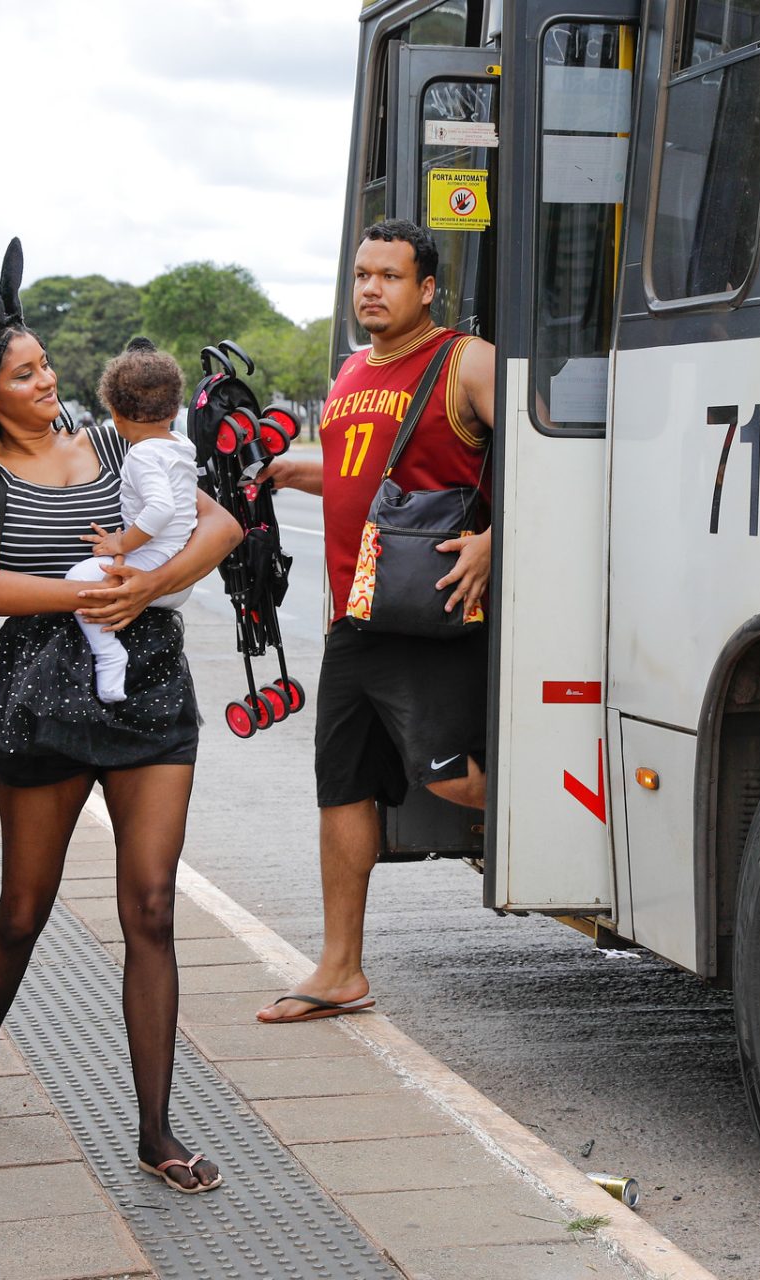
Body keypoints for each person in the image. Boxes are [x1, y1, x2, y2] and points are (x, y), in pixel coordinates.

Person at [0, 239, 241, 1192]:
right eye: (25, 373)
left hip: (149, 682)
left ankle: (156, 1133)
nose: (47, 380)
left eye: (46, 367)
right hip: (41, 693)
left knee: (149, 907)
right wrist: (82, 599)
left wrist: (146, 582)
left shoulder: (116, 440)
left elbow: (222, 525)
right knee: (23, 910)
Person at [254, 218, 495, 1024]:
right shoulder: (354, 369)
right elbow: (372, 475)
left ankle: (562, 830)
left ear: (427, 289)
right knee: (343, 786)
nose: (371, 288)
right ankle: (340, 968)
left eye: (390, 276)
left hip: (426, 613)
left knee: (448, 775)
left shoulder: (466, 361)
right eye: (362, 274)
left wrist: (497, 541)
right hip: (355, 614)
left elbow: (551, 455)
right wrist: (298, 472)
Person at [65, 338, 198, 702]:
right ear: (173, 409)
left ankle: (108, 654)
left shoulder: (141, 455)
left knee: (79, 579)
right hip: (179, 574)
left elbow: (160, 509)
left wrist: (121, 544)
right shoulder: (180, 447)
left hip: (155, 569)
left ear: (117, 417)